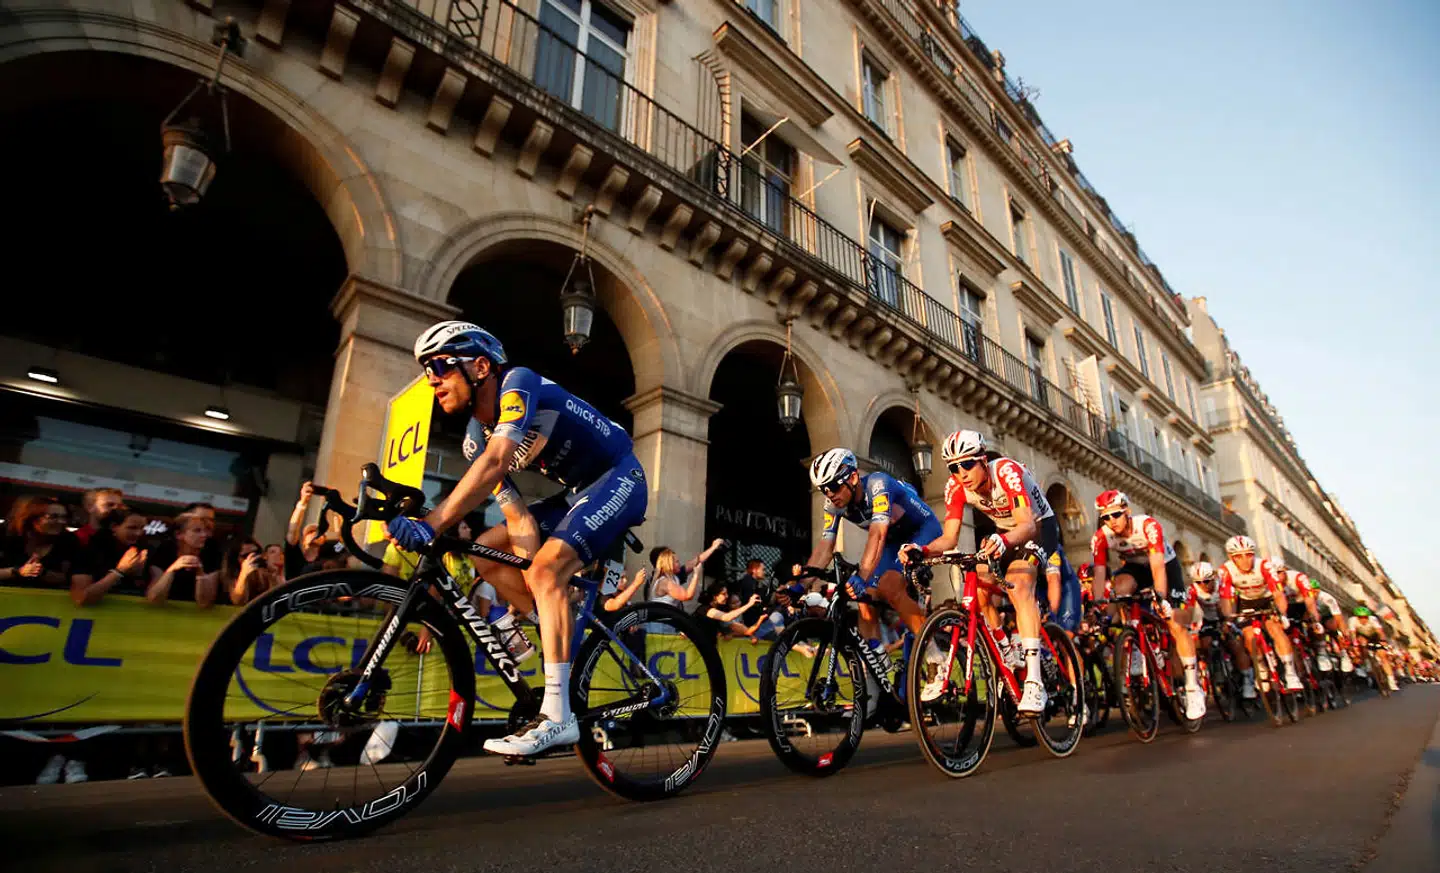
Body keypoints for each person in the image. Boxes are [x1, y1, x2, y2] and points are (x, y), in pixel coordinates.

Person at [386, 320, 647, 757]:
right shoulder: (475, 439)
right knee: (488, 552)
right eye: (427, 369)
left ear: (480, 366)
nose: (432, 377)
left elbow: (498, 459)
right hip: (576, 492)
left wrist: (432, 523)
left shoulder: (517, 384)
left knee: (545, 570)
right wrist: (538, 578)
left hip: (619, 474)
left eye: (442, 365)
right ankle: (555, 634)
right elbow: (518, 517)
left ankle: (557, 716)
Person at [903, 430, 1079, 713]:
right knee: (979, 582)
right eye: (953, 467)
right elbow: (949, 538)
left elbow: (1027, 525)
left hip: (1038, 526)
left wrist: (1003, 540)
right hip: (1007, 530)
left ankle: (1035, 682)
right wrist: (922, 550)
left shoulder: (1006, 473)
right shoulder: (955, 488)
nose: (961, 473)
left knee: (1019, 584)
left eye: (967, 464)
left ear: (983, 460)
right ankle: (1006, 648)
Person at [1090, 490, 1206, 720]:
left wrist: (1161, 598)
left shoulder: (1148, 526)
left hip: (1164, 567)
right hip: (1135, 568)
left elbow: (1158, 568)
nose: (1111, 521)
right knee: (1120, 589)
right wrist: (1097, 607)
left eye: (1116, 515)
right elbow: (1100, 574)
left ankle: (1193, 686)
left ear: (1127, 512)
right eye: (1106, 517)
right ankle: (1135, 645)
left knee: (1175, 621)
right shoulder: (1101, 537)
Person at [805, 447, 940, 641]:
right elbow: (825, 548)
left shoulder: (878, 484)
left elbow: (877, 535)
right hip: (893, 542)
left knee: (889, 586)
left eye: (833, 486)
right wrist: (801, 584)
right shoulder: (833, 506)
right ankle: (875, 662)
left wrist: (862, 575)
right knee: (864, 596)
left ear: (852, 478)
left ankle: (932, 651)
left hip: (922, 531)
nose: (829, 494)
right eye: (823, 489)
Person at [1214, 535, 1302, 693]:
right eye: (1238, 557)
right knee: (1249, 636)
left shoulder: (1264, 566)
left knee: (1275, 628)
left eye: (1249, 555)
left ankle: (1290, 673)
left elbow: (1278, 593)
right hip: (1246, 602)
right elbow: (1226, 599)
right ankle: (1260, 665)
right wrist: (1228, 619)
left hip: (1267, 599)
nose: (1245, 560)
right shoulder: (1225, 570)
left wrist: (1282, 614)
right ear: (1230, 557)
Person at [1186, 561, 1255, 699]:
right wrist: (1191, 628)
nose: (1203, 585)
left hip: (1228, 615)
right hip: (1209, 619)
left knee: (1235, 644)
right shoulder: (1192, 590)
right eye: (1198, 582)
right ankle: (1216, 668)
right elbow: (1190, 610)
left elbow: (1231, 607)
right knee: (1204, 643)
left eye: (1206, 581)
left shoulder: (1223, 585)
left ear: (1213, 578)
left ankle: (1248, 680)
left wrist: (1228, 623)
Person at [1349, 606, 1397, 692]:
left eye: (1365, 617)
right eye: (1361, 618)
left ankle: (1391, 681)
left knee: (1383, 656)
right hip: (1362, 636)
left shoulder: (1373, 619)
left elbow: (1380, 632)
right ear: (1357, 617)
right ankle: (1367, 665)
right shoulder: (1352, 621)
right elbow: (1353, 634)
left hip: (1374, 636)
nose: (1363, 620)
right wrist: (1355, 645)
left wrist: (1383, 641)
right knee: (1362, 645)